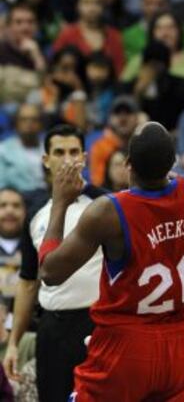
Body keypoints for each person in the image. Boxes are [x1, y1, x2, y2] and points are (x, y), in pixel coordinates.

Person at [39, 122, 184, 401]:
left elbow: (50, 272)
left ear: (128, 164)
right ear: (172, 163)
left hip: (126, 347)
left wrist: (60, 203)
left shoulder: (108, 212)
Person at [3, 124, 104, 402]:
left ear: (84, 157)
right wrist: (13, 342)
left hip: (99, 326)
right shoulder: (35, 214)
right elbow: (27, 282)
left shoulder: (106, 203)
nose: (68, 159)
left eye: (74, 152)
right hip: (52, 329)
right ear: (46, 160)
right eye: (59, 152)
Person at [53, 0, 125, 76]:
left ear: (103, 7)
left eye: (97, 3)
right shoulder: (67, 34)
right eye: (86, 2)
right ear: (77, 6)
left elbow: (120, 70)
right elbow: (55, 67)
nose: (92, 8)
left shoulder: (114, 35)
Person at [0, 104, 45, 194]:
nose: (29, 123)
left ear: (41, 124)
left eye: (34, 120)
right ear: (16, 124)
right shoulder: (3, 150)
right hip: (19, 199)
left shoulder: (49, 149)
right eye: (24, 119)